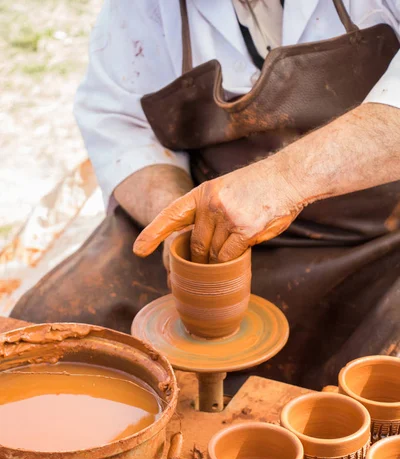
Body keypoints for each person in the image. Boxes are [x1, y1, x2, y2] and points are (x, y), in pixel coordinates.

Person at [11, 0, 400, 390]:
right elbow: (121, 123)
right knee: (47, 333)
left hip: (376, 240)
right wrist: (176, 212)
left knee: (375, 389)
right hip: (208, 226)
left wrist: (283, 181)